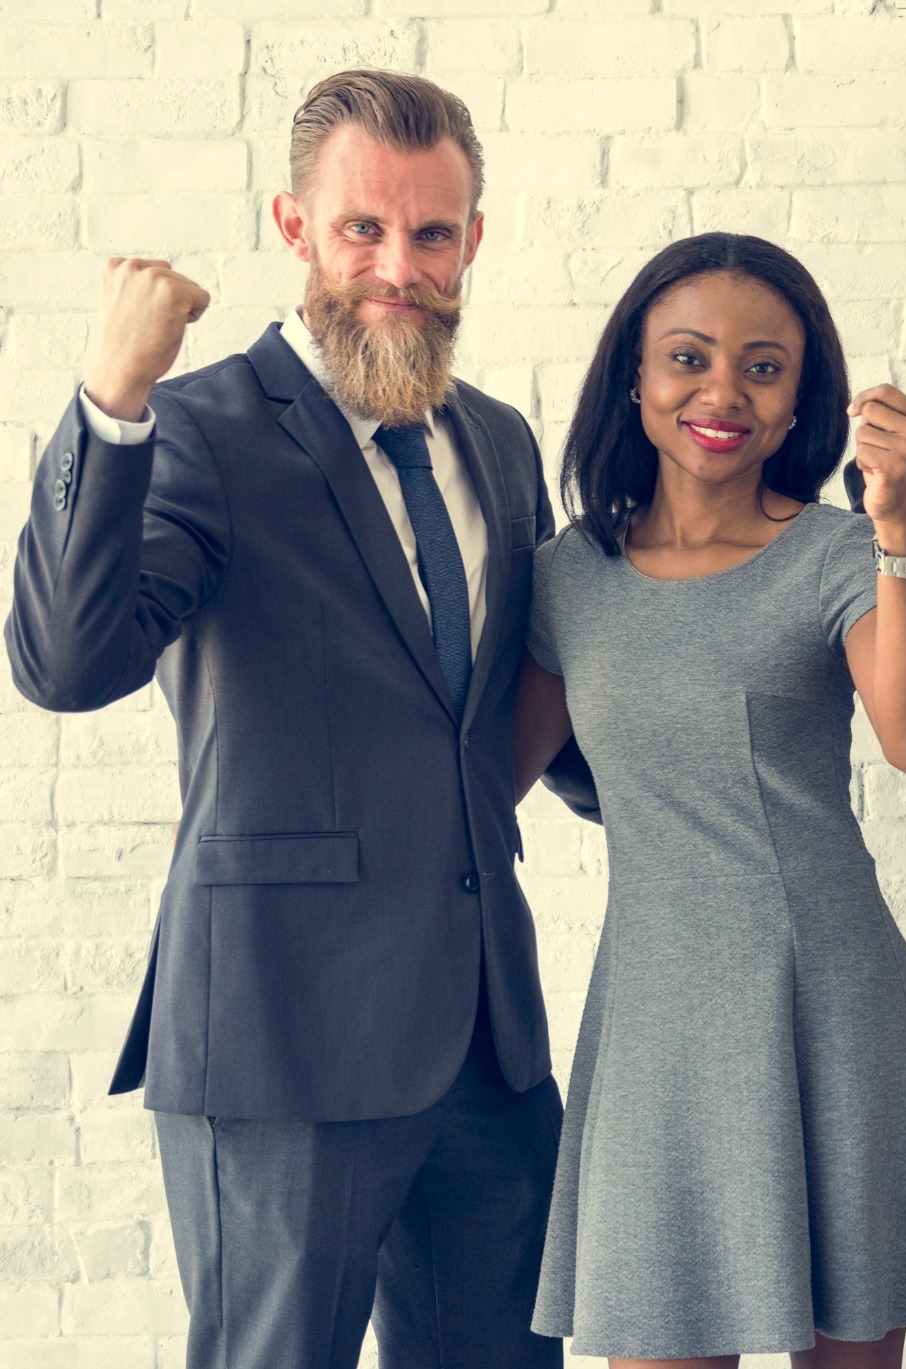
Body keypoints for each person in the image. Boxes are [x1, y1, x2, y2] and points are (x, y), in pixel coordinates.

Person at [5, 69, 577, 1368]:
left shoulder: (498, 442)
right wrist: (111, 397)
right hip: (281, 1036)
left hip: (486, 1039)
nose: (398, 267)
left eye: (432, 233)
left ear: (474, 241)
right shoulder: (197, 431)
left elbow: (520, 713)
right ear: (294, 226)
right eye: (362, 229)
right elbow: (64, 661)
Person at [512, 234, 906, 1367]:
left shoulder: (838, 552)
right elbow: (483, 782)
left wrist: (897, 528)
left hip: (827, 1004)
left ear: (798, 403)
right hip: (656, 1024)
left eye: (764, 367)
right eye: (688, 357)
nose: (722, 391)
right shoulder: (565, 576)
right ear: (634, 377)